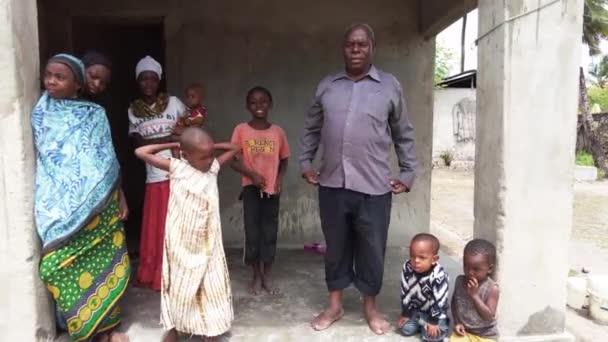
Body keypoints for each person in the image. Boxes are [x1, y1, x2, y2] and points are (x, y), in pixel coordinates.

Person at [299, 23, 417, 334]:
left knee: (372, 249)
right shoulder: (327, 85)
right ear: (343, 48)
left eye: (362, 44)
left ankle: (370, 308)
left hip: (374, 186)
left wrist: (407, 173)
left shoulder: (389, 86)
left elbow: (403, 133)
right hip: (332, 183)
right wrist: (304, 162)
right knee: (336, 247)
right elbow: (312, 128)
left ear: (371, 48)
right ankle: (335, 306)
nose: (355, 49)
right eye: (350, 44)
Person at [34, 53, 130, 342]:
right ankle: (83, 326)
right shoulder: (41, 110)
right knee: (53, 266)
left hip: (99, 204)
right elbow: (50, 157)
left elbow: (106, 160)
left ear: (76, 83)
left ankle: (102, 330)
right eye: (48, 75)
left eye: (59, 77)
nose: (51, 81)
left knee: (102, 260)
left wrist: (120, 196)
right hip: (57, 205)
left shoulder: (94, 114)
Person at [134, 127, 238, 342]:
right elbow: (141, 152)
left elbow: (235, 147)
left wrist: (211, 147)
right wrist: (172, 145)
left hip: (209, 243)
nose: (209, 160)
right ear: (185, 155)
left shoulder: (213, 168)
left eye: (211, 156)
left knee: (211, 285)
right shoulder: (177, 167)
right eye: (203, 157)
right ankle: (175, 327)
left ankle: (211, 328)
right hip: (181, 244)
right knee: (180, 287)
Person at [128, 55, 187, 291]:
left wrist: (173, 139)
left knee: (178, 227)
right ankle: (158, 274)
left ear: (159, 80)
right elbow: (138, 146)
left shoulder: (174, 103)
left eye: (153, 79)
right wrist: (169, 139)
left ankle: (181, 273)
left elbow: (190, 132)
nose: (149, 84)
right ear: (138, 82)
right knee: (158, 228)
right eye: (144, 79)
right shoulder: (133, 111)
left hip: (179, 172)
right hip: (153, 176)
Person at [230, 86, 290, 295]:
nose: (259, 106)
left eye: (263, 101)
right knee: (252, 232)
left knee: (269, 232)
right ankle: (256, 275)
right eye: (254, 102)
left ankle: (267, 275)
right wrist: (252, 175)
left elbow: (284, 160)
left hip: (272, 190)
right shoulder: (241, 130)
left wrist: (279, 179)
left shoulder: (278, 132)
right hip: (250, 189)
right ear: (248, 106)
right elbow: (233, 161)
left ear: (270, 104)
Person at [81, 50, 129, 222]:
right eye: (92, 76)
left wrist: (119, 190)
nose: (96, 84)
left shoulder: (106, 109)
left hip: (102, 181)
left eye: (103, 82)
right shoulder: (60, 103)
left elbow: (112, 149)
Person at [398, 233, 449, 342]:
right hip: (416, 311)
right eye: (412, 256)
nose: (416, 261)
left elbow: (440, 301)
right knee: (404, 329)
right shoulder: (407, 268)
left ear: (434, 259)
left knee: (432, 338)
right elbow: (405, 292)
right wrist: (406, 313)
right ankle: (421, 322)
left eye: (422, 257)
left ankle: (428, 325)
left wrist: (433, 321)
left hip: (435, 314)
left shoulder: (439, 276)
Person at [450, 239, 499, 342]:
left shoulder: (492, 288)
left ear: (489, 269)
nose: (470, 272)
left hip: (486, 334)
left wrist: (475, 295)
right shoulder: (460, 281)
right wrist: (457, 322)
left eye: (476, 269)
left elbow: (489, 316)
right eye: (466, 267)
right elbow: (454, 303)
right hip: (465, 331)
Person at [171, 82, 208, 157]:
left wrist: (182, 129)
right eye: (187, 97)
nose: (189, 99)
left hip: (193, 133)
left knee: (174, 138)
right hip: (186, 133)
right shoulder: (187, 110)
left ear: (200, 98)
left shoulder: (200, 110)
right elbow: (182, 120)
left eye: (193, 97)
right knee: (173, 144)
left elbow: (197, 124)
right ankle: (177, 160)